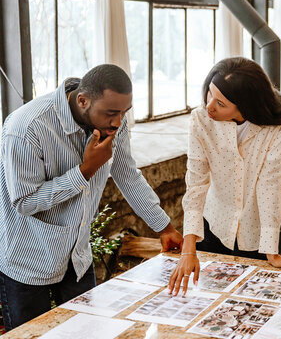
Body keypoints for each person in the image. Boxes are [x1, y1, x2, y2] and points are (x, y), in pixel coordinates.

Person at [0, 64, 182, 330]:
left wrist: (164, 227)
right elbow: (25, 202)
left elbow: (127, 175)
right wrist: (86, 170)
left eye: (124, 113)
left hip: (78, 258)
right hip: (27, 259)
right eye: (111, 113)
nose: (118, 122)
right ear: (83, 100)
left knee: (87, 333)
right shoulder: (26, 127)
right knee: (30, 336)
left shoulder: (113, 119)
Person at [169, 57, 281, 296]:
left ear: (246, 107)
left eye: (220, 103)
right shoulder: (201, 120)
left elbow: (270, 187)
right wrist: (189, 250)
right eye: (209, 94)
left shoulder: (278, 124)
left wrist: (271, 252)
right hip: (214, 228)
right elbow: (197, 183)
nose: (209, 106)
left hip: (256, 237)